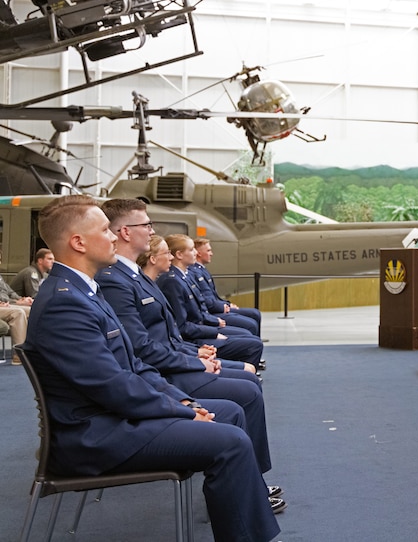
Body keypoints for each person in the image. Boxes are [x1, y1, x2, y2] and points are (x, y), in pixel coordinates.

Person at [21, 195, 281, 542]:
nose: (113, 236)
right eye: (105, 230)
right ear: (79, 242)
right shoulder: (65, 303)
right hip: (95, 434)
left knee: (229, 414)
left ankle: (242, 513)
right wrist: (181, 410)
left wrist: (183, 402)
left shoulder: (84, 292)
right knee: (230, 441)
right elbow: (112, 385)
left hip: (115, 417)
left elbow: (134, 364)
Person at [95, 200, 281, 505]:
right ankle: (251, 487)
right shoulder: (115, 281)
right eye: (147, 225)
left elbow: (167, 334)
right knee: (246, 393)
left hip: (168, 367)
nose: (152, 231)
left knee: (248, 383)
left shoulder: (135, 277)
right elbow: (139, 349)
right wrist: (192, 362)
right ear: (126, 232)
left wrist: (196, 355)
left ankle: (250, 484)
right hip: (163, 374)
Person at [157, 234, 265, 370]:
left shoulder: (182, 277)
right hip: (194, 339)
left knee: (251, 336)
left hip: (201, 328)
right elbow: (183, 326)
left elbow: (200, 309)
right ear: (179, 254)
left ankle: (245, 371)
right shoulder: (172, 281)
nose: (195, 252)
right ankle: (244, 372)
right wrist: (213, 331)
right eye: (191, 249)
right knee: (253, 343)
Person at [191, 238, 262, 337]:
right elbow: (206, 300)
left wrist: (227, 304)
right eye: (208, 250)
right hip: (212, 312)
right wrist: (223, 307)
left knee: (255, 314)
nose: (211, 254)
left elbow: (213, 296)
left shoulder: (201, 270)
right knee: (251, 323)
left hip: (216, 308)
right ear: (199, 253)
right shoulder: (195, 272)